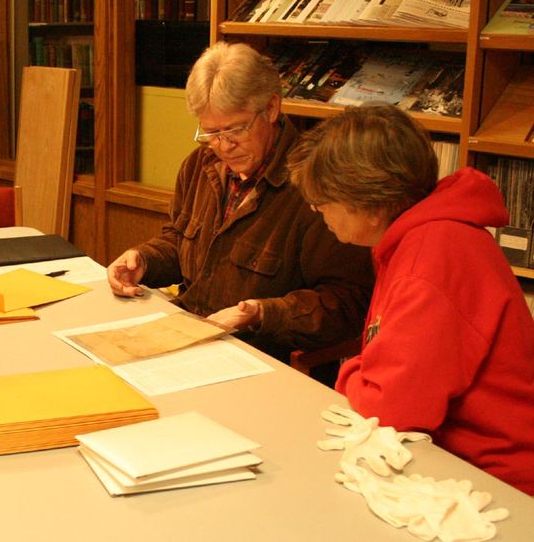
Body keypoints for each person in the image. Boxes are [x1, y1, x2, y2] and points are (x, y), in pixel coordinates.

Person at [289, 103, 534, 495]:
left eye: (322, 202)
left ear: (369, 201)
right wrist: (367, 371)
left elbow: (391, 410)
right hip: (454, 459)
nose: (318, 212)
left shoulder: (430, 257)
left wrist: (351, 371)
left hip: (497, 482)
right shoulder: (420, 237)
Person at [107, 41, 374, 361]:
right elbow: (179, 244)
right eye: (211, 133)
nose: (223, 146)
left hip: (258, 356)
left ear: (272, 108)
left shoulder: (317, 185)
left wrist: (263, 313)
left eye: (235, 130)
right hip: (188, 339)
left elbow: (345, 304)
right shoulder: (199, 165)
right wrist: (142, 260)